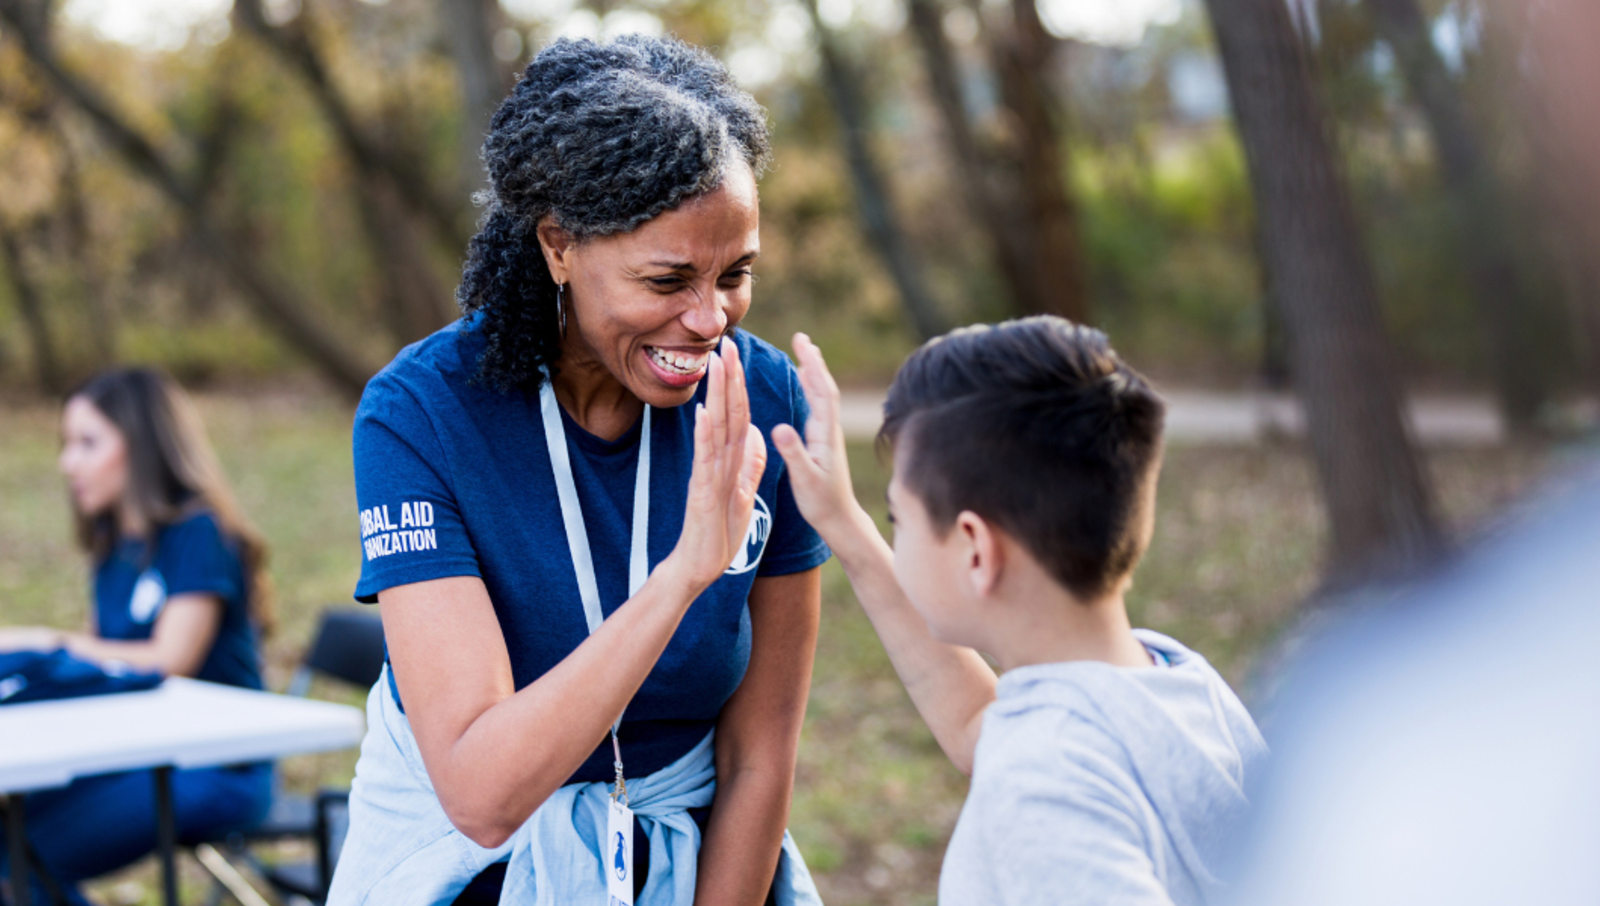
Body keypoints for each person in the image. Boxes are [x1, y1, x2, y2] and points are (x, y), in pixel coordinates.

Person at [327, 36, 830, 906]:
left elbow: (760, 757)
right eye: (668, 279)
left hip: (695, 865)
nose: (709, 319)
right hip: (475, 868)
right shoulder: (422, 415)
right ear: (559, 245)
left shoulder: (765, 401)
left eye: (736, 274)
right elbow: (482, 795)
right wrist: (682, 577)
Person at [768, 318, 1269, 905]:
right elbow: (977, 721)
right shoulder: (1176, 684)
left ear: (976, 549)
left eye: (897, 520)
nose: (896, 537)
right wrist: (841, 521)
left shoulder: (1043, 788)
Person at [0, 366, 274, 906]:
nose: (67, 462)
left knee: (20, 848)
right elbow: (103, 669)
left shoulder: (198, 534)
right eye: (66, 443)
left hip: (217, 768)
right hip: (137, 755)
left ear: (141, 444)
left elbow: (168, 659)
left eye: (87, 442)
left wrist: (43, 641)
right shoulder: (113, 546)